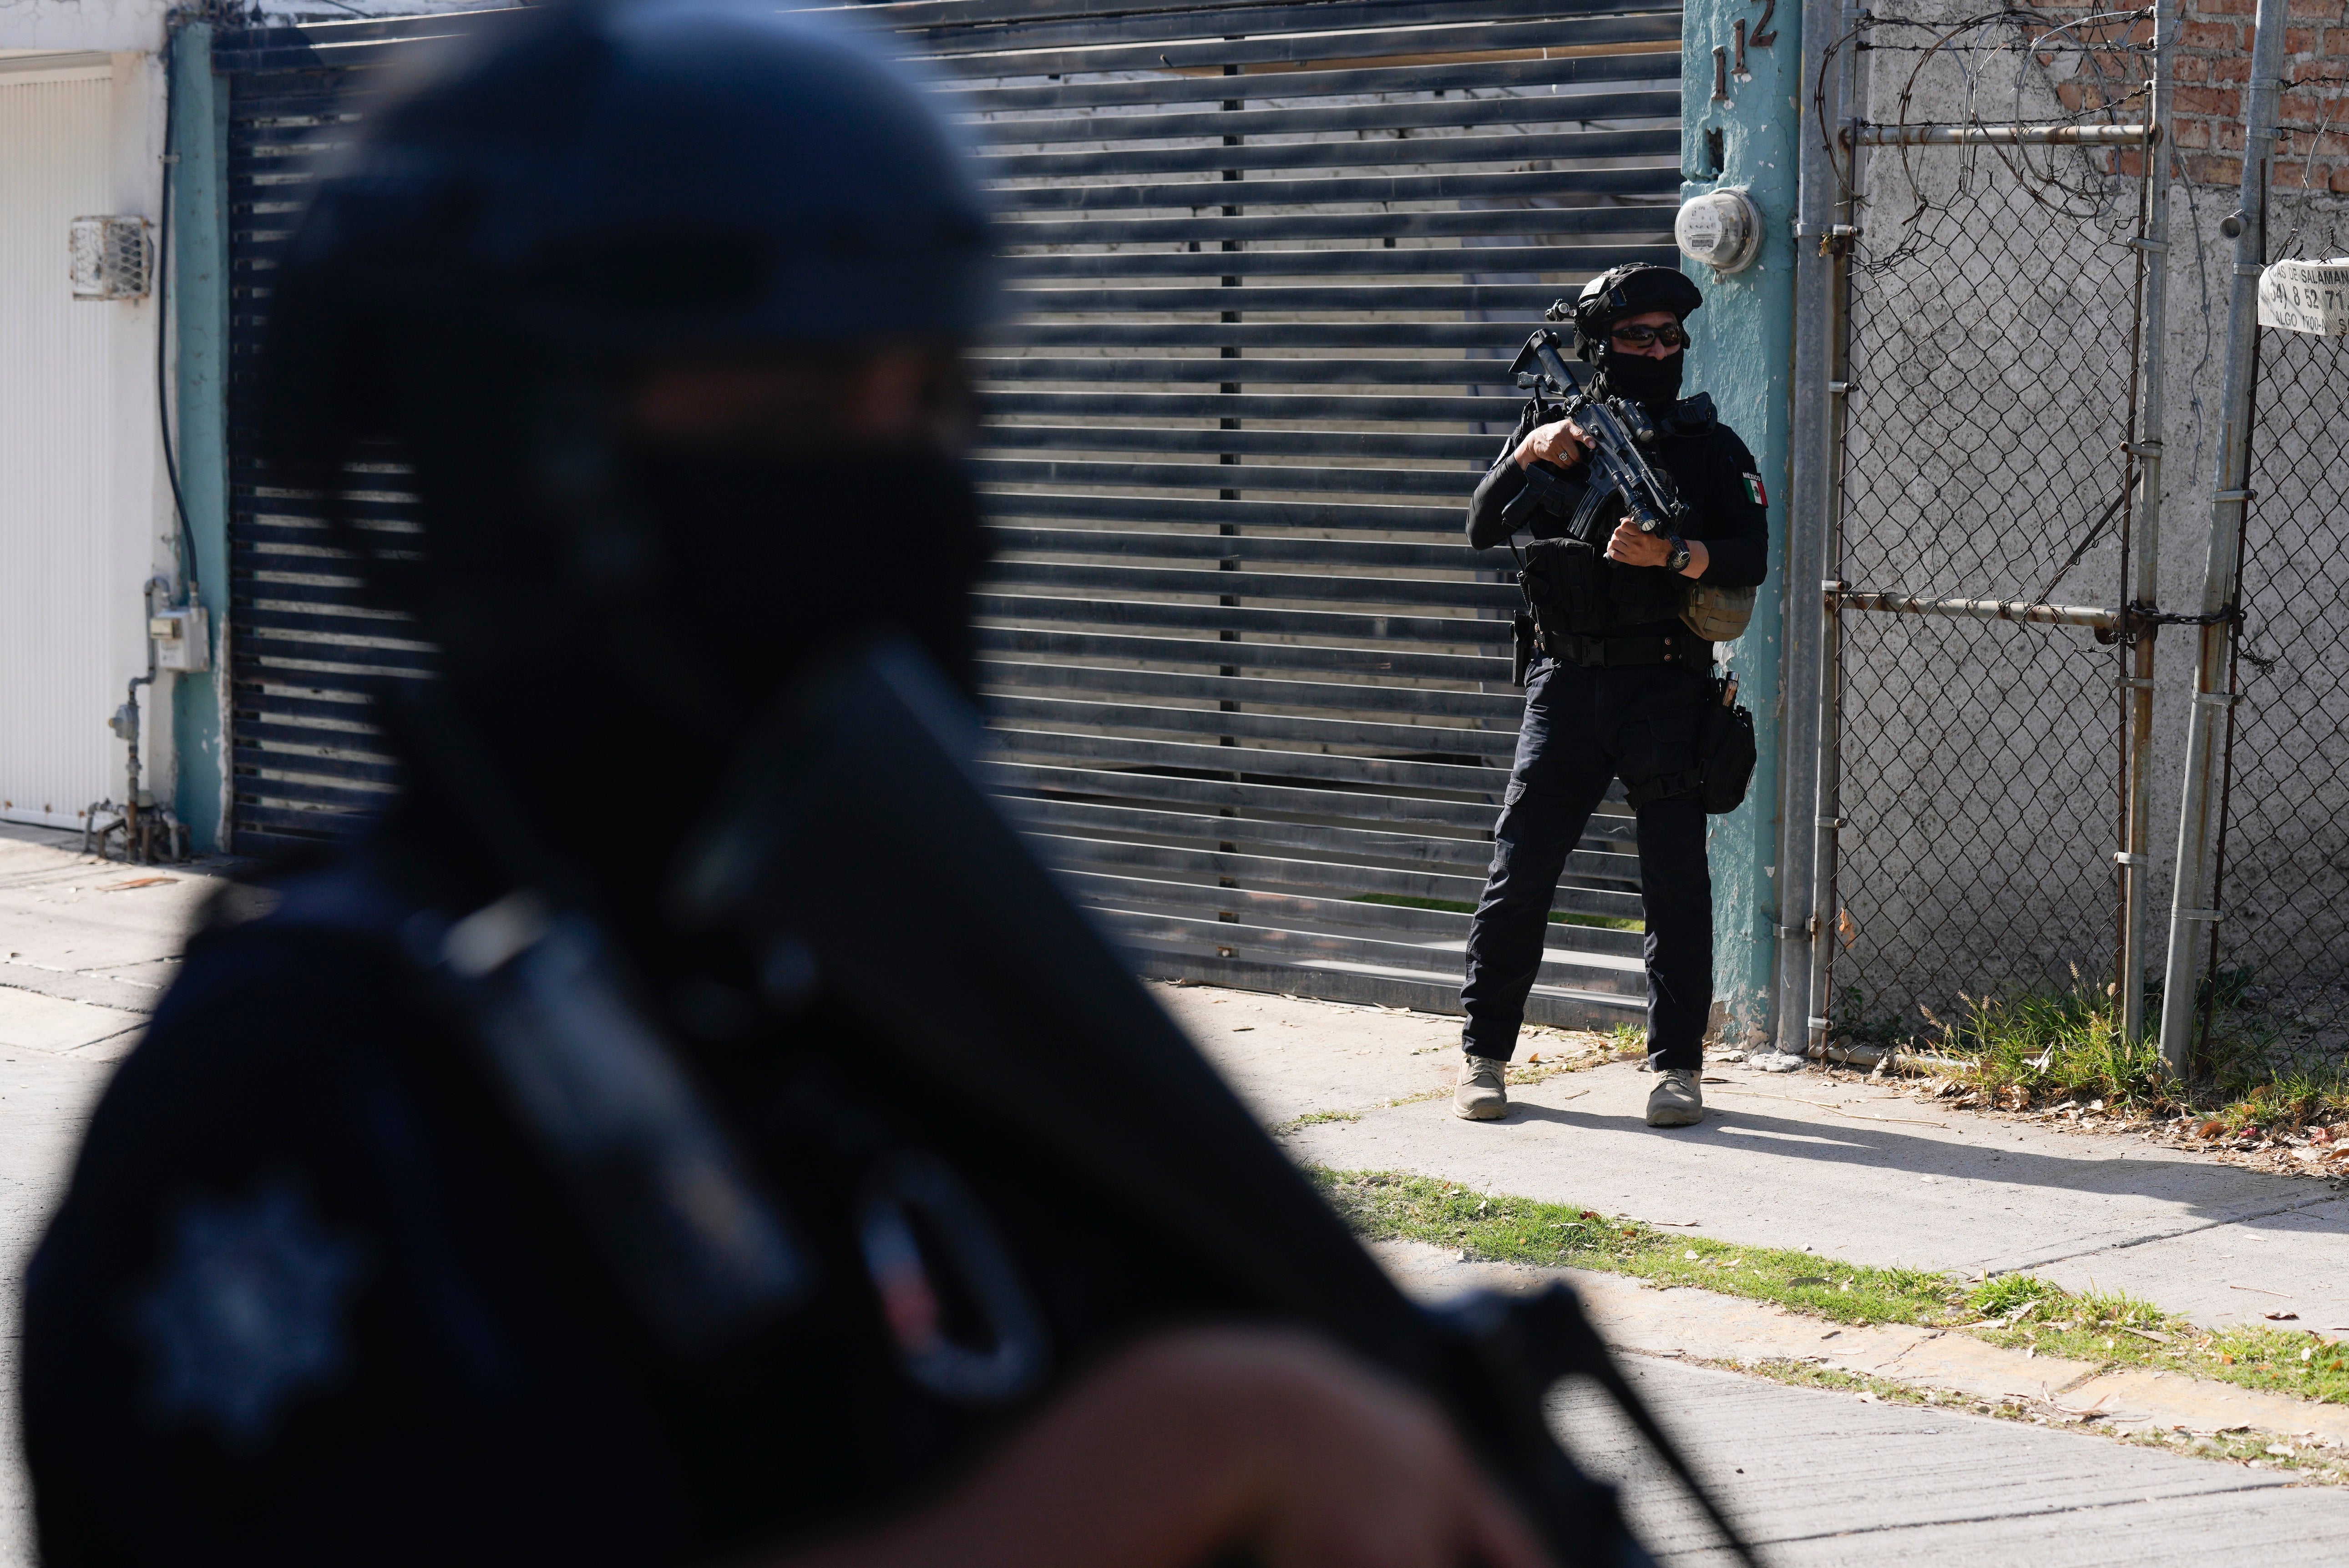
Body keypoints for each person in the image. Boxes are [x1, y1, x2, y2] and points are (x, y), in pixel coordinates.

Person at [15, 6, 1590, 1566]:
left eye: (939, 409)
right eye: (791, 415)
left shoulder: (868, 996)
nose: (913, 496)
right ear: (493, 451)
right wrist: (1160, 1470)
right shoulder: (309, 1084)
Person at [1452, 265, 1769, 1129]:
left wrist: (1672, 557)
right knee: (1520, 869)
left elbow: (1750, 554)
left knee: (1674, 884)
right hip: (1565, 681)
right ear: (1600, 347)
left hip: (1667, 683)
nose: (1659, 351)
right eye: (1639, 338)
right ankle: (1483, 1056)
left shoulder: (1710, 447)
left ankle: (1676, 1070)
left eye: (1671, 338)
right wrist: (1530, 452)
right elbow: (1482, 525)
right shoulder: (1556, 429)